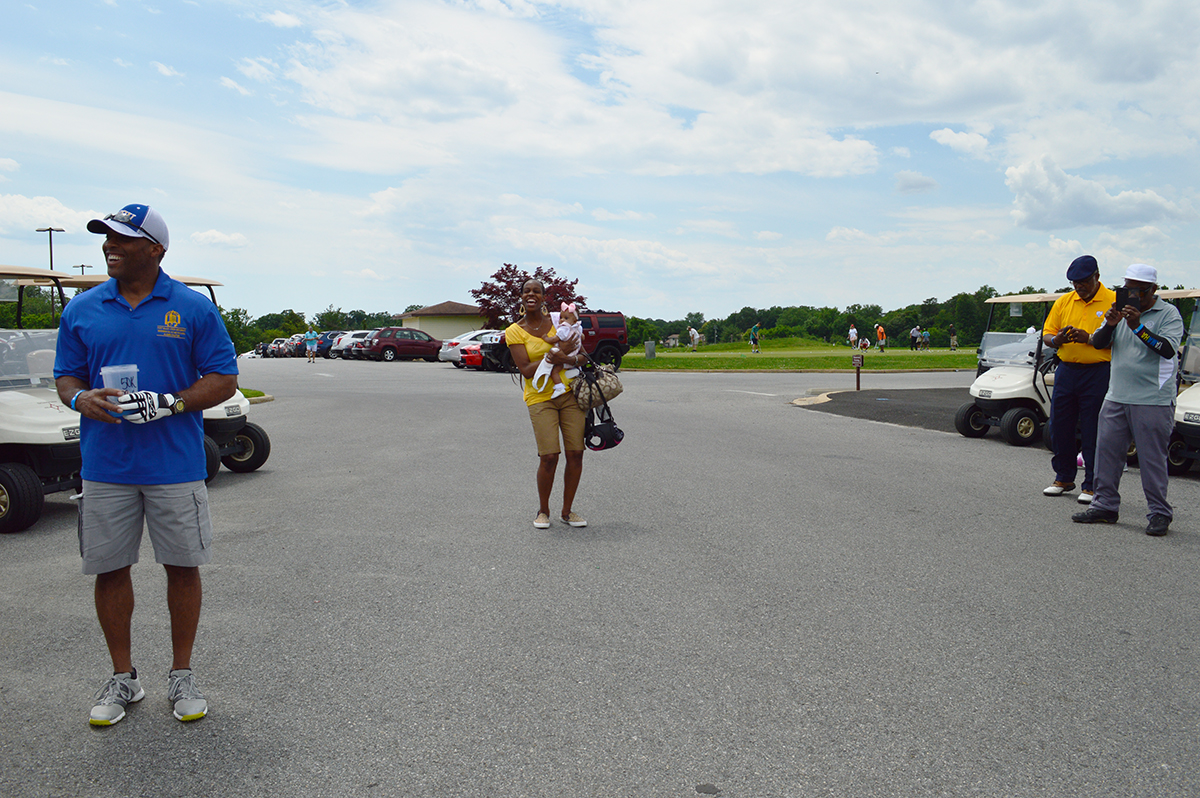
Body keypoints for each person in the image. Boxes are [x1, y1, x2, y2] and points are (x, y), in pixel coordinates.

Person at [54, 204, 239, 726]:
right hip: (105, 466)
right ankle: (123, 679)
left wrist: (172, 402)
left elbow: (224, 378)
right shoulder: (83, 308)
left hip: (175, 466)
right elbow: (66, 375)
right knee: (110, 570)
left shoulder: (191, 308)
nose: (109, 245)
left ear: (155, 249)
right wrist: (79, 399)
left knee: (183, 567)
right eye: (106, 237)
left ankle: (181, 675)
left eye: (122, 239)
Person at [1073, 264, 1183, 536]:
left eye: (1137, 291)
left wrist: (1137, 327)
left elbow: (1167, 349)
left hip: (1152, 399)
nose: (1131, 296)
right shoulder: (1119, 314)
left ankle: (1159, 513)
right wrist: (1111, 325)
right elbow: (1098, 343)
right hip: (1117, 395)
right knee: (1107, 455)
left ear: (1152, 290)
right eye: (1126, 290)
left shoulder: (1168, 313)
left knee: (1151, 460)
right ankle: (1105, 506)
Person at [506, 279, 588, 530]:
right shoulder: (514, 331)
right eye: (527, 291)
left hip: (570, 394)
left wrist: (566, 356)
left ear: (544, 297)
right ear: (521, 297)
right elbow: (527, 370)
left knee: (576, 452)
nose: (531, 294)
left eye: (537, 291)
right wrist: (557, 353)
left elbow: (583, 357)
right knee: (549, 456)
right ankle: (543, 510)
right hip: (540, 398)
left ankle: (567, 511)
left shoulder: (559, 322)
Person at [1040, 255, 1116, 503]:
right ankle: (1063, 477)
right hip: (1067, 369)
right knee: (1060, 424)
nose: (1079, 287)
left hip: (1098, 371)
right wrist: (1057, 340)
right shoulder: (1064, 301)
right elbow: (1047, 335)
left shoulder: (1113, 301)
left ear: (1097, 276)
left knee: (1094, 428)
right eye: (1074, 283)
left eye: (1083, 281)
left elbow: (1119, 338)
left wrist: (1090, 338)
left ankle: (1092, 484)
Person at [532, 302, 583, 398]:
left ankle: (559, 387)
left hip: (564, 355)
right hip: (573, 354)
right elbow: (582, 337)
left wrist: (545, 338)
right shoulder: (578, 328)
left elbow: (555, 339)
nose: (562, 320)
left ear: (574, 320)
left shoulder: (564, 329)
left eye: (566, 318)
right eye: (561, 318)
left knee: (554, 370)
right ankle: (569, 373)